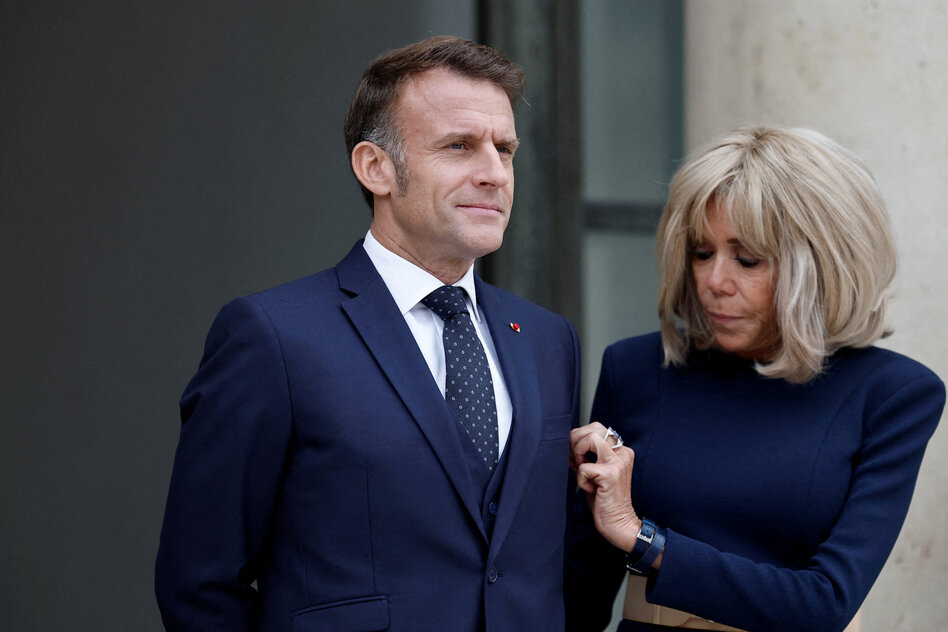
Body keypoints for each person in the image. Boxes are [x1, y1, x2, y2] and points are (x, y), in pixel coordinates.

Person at [155, 36, 581, 632]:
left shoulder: (547, 339)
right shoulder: (272, 337)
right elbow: (199, 584)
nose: (494, 173)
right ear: (375, 167)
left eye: (504, 149)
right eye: (459, 146)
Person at [564, 126, 944, 632]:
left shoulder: (894, 394)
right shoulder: (634, 369)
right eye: (701, 252)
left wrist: (643, 538)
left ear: (823, 263)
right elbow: (580, 588)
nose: (714, 281)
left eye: (747, 259)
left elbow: (827, 602)